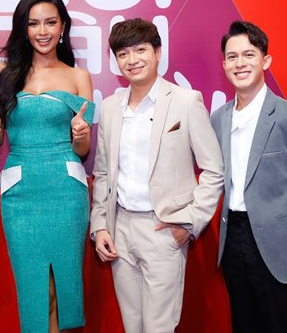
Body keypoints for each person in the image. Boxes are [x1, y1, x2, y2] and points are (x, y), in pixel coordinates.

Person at [90, 18, 224, 333]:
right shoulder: (110, 107)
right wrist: (100, 226)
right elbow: (102, 172)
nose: (132, 60)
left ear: (158, 52)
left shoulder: (186, 101)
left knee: (159, 328)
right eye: (123, 53)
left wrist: (190, 222)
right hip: (120, 229)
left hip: (163, 228)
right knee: (132, 326)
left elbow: (214, 169)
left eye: (140, 50)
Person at [210, 20, 287, 332]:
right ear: (224, 65)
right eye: (232, 57)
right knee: (243, 324)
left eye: (249, 55)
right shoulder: (219, 118)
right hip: (233, 238)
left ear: (265, 61)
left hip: (279, 243)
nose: (240, 63)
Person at [0, 0, 94, 333]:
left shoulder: (78, 76)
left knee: (62, 288)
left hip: (66, 190)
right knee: (36, 290)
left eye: (50, 22)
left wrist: (80, 134)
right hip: (20, 193)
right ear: (23, 28)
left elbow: (83, 149)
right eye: (33, 24)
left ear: (62, 27)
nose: (42, 31)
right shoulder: (3, 72)